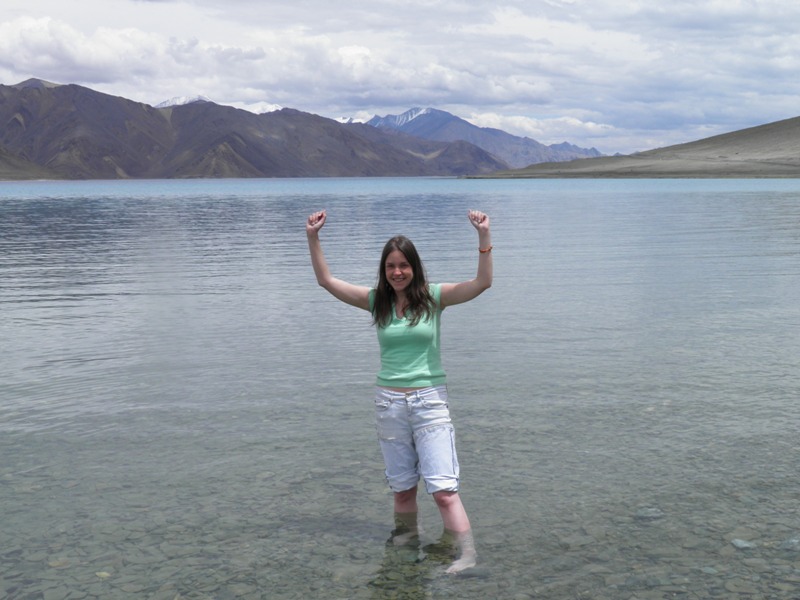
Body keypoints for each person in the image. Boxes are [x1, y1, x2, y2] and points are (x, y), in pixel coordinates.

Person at [305, 209, 492, 574]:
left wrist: (483, 236)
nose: (397, 272)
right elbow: (326, 280)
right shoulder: (378, 301)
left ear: (414, 267)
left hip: (430, 402)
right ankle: (406, 546)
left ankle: (467, 556)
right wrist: (313, 237)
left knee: (443, 490)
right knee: (403, 489)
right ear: (384, 269)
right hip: (389, 404)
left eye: (403, 265)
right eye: (390, 265)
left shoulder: (435, 298)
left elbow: (482, 283)